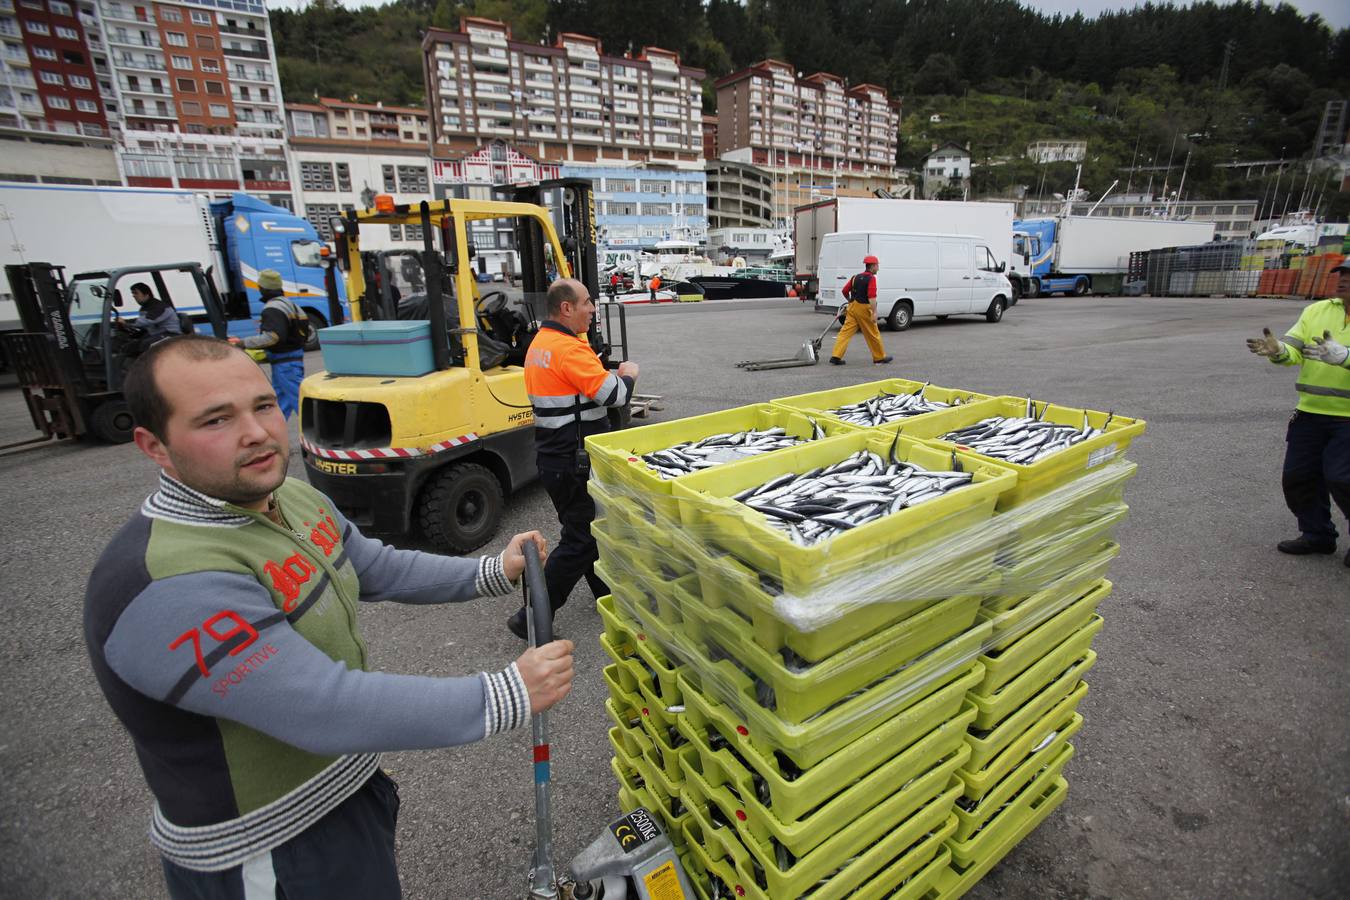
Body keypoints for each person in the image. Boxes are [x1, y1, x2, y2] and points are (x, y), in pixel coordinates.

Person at [84, 334, 575, 899]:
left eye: (264, 405)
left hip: (347, 800)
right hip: (268, 855)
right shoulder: (164, 582)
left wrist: (492, 571)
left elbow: (375, 567)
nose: (256, 433)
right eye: (216, 420)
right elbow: (320, 707)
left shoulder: (289, 498)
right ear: (155, 446)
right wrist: (505, 692)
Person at [514, 278, 639, 639]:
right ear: (566, 308)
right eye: (587, 302)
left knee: (587, 529)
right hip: (574, 461)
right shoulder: (569, 349)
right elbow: (613, 395)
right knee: (581, 537)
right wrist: (627, 375)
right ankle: (533, 616)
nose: (593, 309)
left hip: (556, 457)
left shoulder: (541, 344)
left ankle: (606, 593)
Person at [1245, 259, 1350, 567]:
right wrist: (1278, 352)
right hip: (1311, 412)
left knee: (1342, 478)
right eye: (1340, 274)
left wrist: (1345, 358)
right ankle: (1317, 534)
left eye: (1349, 275)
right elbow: (1293, 351)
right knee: (1299, 476)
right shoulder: (1316, 311)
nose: (1342, 279)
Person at [229, 269, 307, 420]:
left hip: (285, 364)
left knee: (302, 402)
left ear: (262, 288)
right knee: (279, 402)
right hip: (289, 360)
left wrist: (243, 343)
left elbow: (272, 337)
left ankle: (317, 437)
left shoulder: (272, 308)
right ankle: (274, 431)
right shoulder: (290, 304)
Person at [828, 255, 893, 366]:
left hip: (852, 308)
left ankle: (836, 356)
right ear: (872, 266)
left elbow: (844, 290)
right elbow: (872, 297)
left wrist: (850, 300)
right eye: (877, 266)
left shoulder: (855, 277)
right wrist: (874, 312)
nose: (878, 268)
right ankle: (879, 357)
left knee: (845, 332)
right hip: (864, 308)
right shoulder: (871, 278)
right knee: (873, 333)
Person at [118, 281, 183, 352]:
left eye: (136, 293)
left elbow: (147, 320)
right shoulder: (144, 308)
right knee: (129, 347)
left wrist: (126, 321)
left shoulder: (160, 307)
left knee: (147, 344)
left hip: (170, 334)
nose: (134, 296)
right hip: (156, 333)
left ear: (146, 294)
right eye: (133, 293)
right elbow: (145, 326)